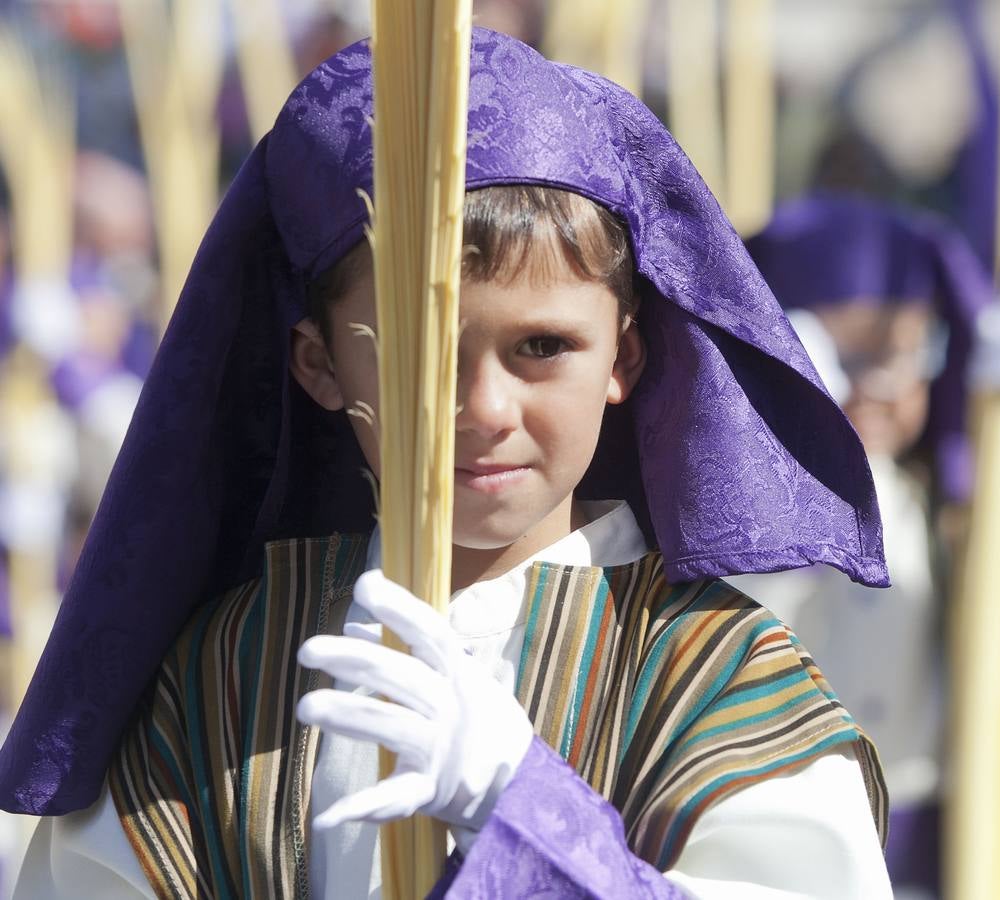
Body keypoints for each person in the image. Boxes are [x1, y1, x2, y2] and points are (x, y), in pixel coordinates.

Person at [4, 30, 892, 897]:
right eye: (419, 352)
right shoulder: (226, 669)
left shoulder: (711, 670)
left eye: (542, 346)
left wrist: (526, 816)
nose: (485, 410)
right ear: (318, 365)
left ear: (623, 358)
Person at [735, 194, 1000, 900]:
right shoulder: (722, 510)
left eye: (901, 352)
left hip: (942, 861)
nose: (875, 384)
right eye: (843, 351)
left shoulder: (959, 511)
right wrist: (790, 450)